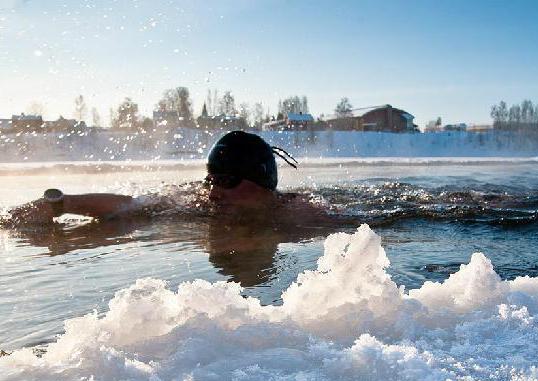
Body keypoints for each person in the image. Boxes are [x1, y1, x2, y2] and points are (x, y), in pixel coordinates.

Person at [6, 131, 330, 226]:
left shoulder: (301, 213)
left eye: (228, 181)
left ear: (262, 182)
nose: (214, 193)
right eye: (211, 181)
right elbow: (129, 206)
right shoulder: (192, 202)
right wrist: (58, 205)